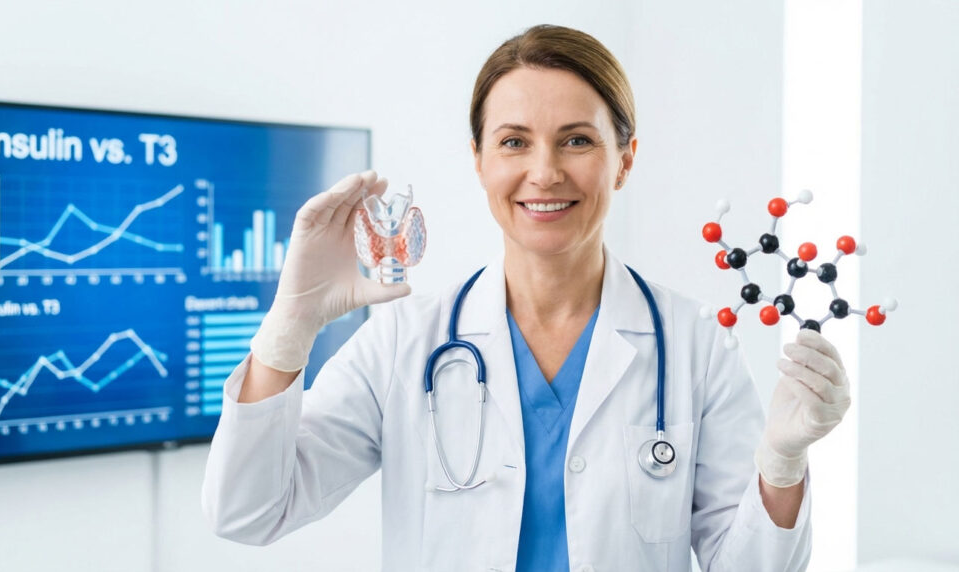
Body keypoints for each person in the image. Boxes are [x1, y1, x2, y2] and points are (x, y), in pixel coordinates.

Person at [202, 24, 850, 571]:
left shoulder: (695, 346)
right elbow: (248, 511)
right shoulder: (405, 342)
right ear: (479, 158)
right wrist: (289, 327)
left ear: (624, 158)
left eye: (577, 139)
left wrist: (782, 464)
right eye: (514, 141)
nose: (544, 171)